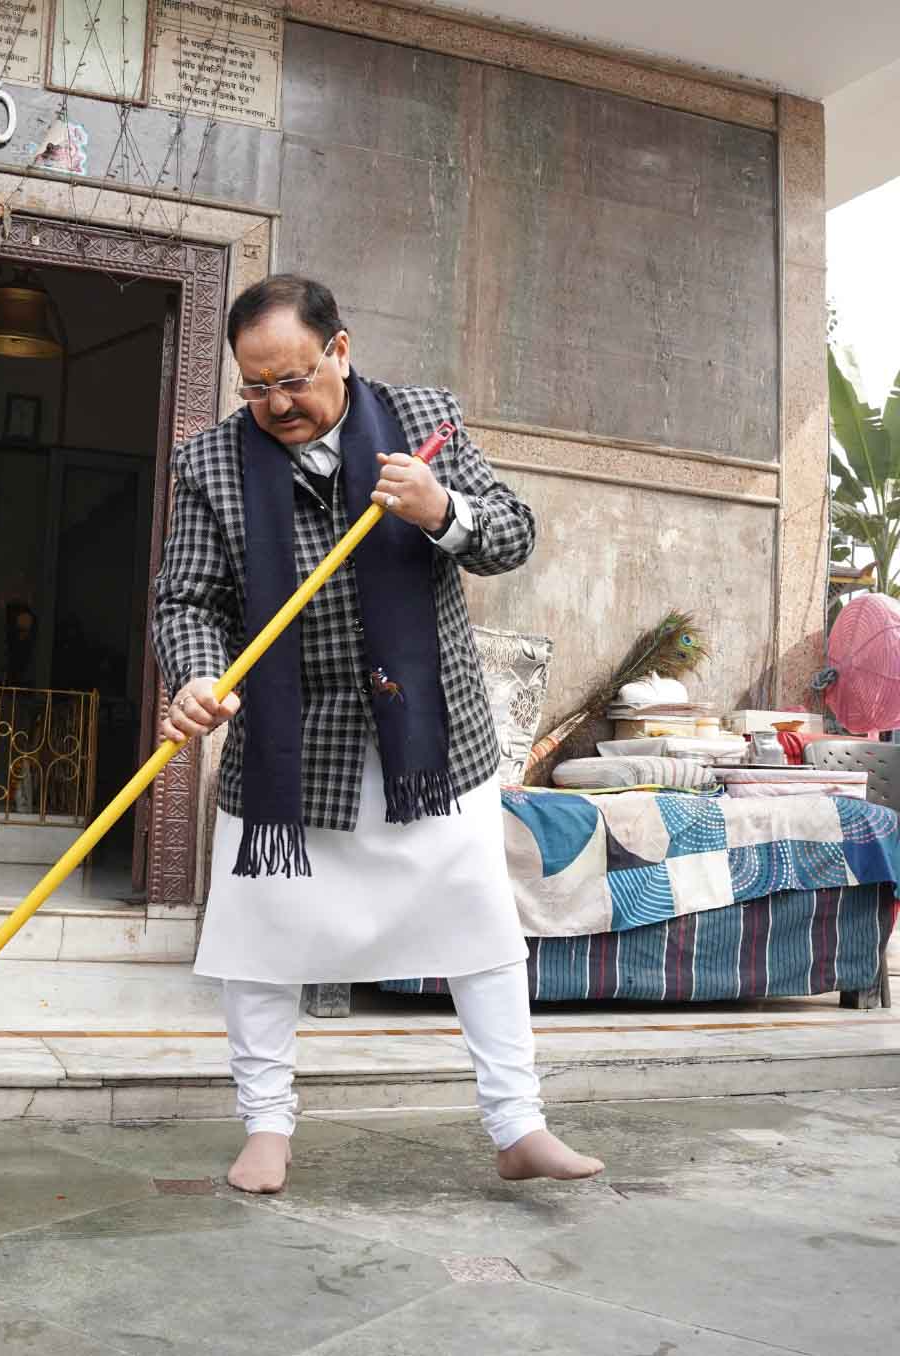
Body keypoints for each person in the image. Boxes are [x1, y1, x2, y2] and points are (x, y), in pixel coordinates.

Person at [152, 275, 604, 1193]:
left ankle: (518, 1126)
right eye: (255, 386)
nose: (277, 404)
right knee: (261, 936)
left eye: (295, 378)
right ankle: (267, 1126)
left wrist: (441, 509)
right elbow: (186, 600)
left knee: (481, 929)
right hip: (287, 739)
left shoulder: (423, 418)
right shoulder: (210, 463)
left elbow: (512, 533)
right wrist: (198, 674)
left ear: (341, 350)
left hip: (427, 742)